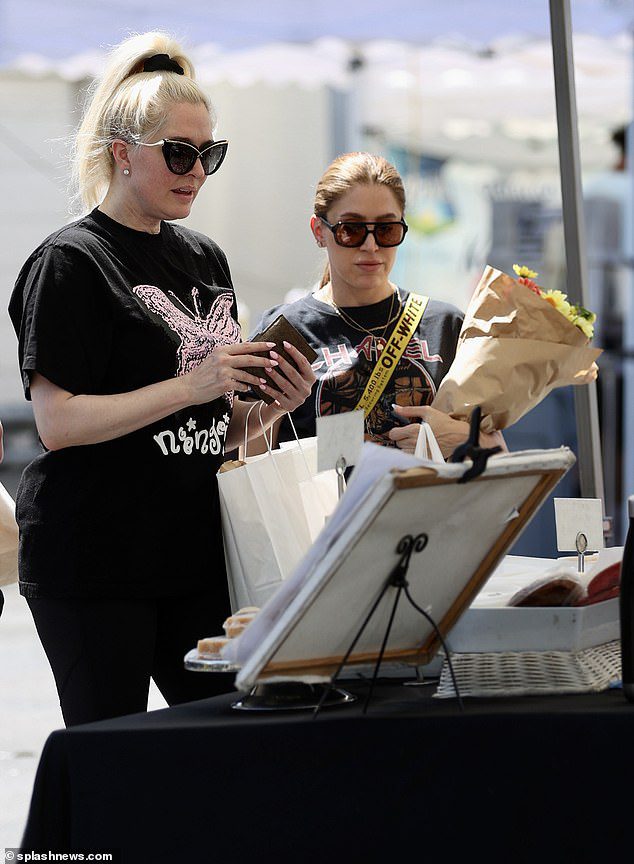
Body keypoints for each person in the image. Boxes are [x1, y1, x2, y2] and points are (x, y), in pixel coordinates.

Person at [7, 31, 315, 726]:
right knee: (112, 756)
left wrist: (272, 407)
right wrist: (191, 385)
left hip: (194, 554)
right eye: (180, 153)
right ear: (122, 153)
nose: (197, 171)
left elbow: (213, 427)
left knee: (229, 744)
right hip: (95, 561)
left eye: (210, 155)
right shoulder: (71, 260)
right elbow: (57, 425)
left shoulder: (204, 256)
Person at [250, 151, 505, 457]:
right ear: (320, 232)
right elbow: (254, 461)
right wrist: (357, 445)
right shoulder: (287, 331)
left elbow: (498, 454)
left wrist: (459, 438)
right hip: (326, 505)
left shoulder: (446, 324)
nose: (371, 246)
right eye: (351, 230)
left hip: (434, 503)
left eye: (386, 230)